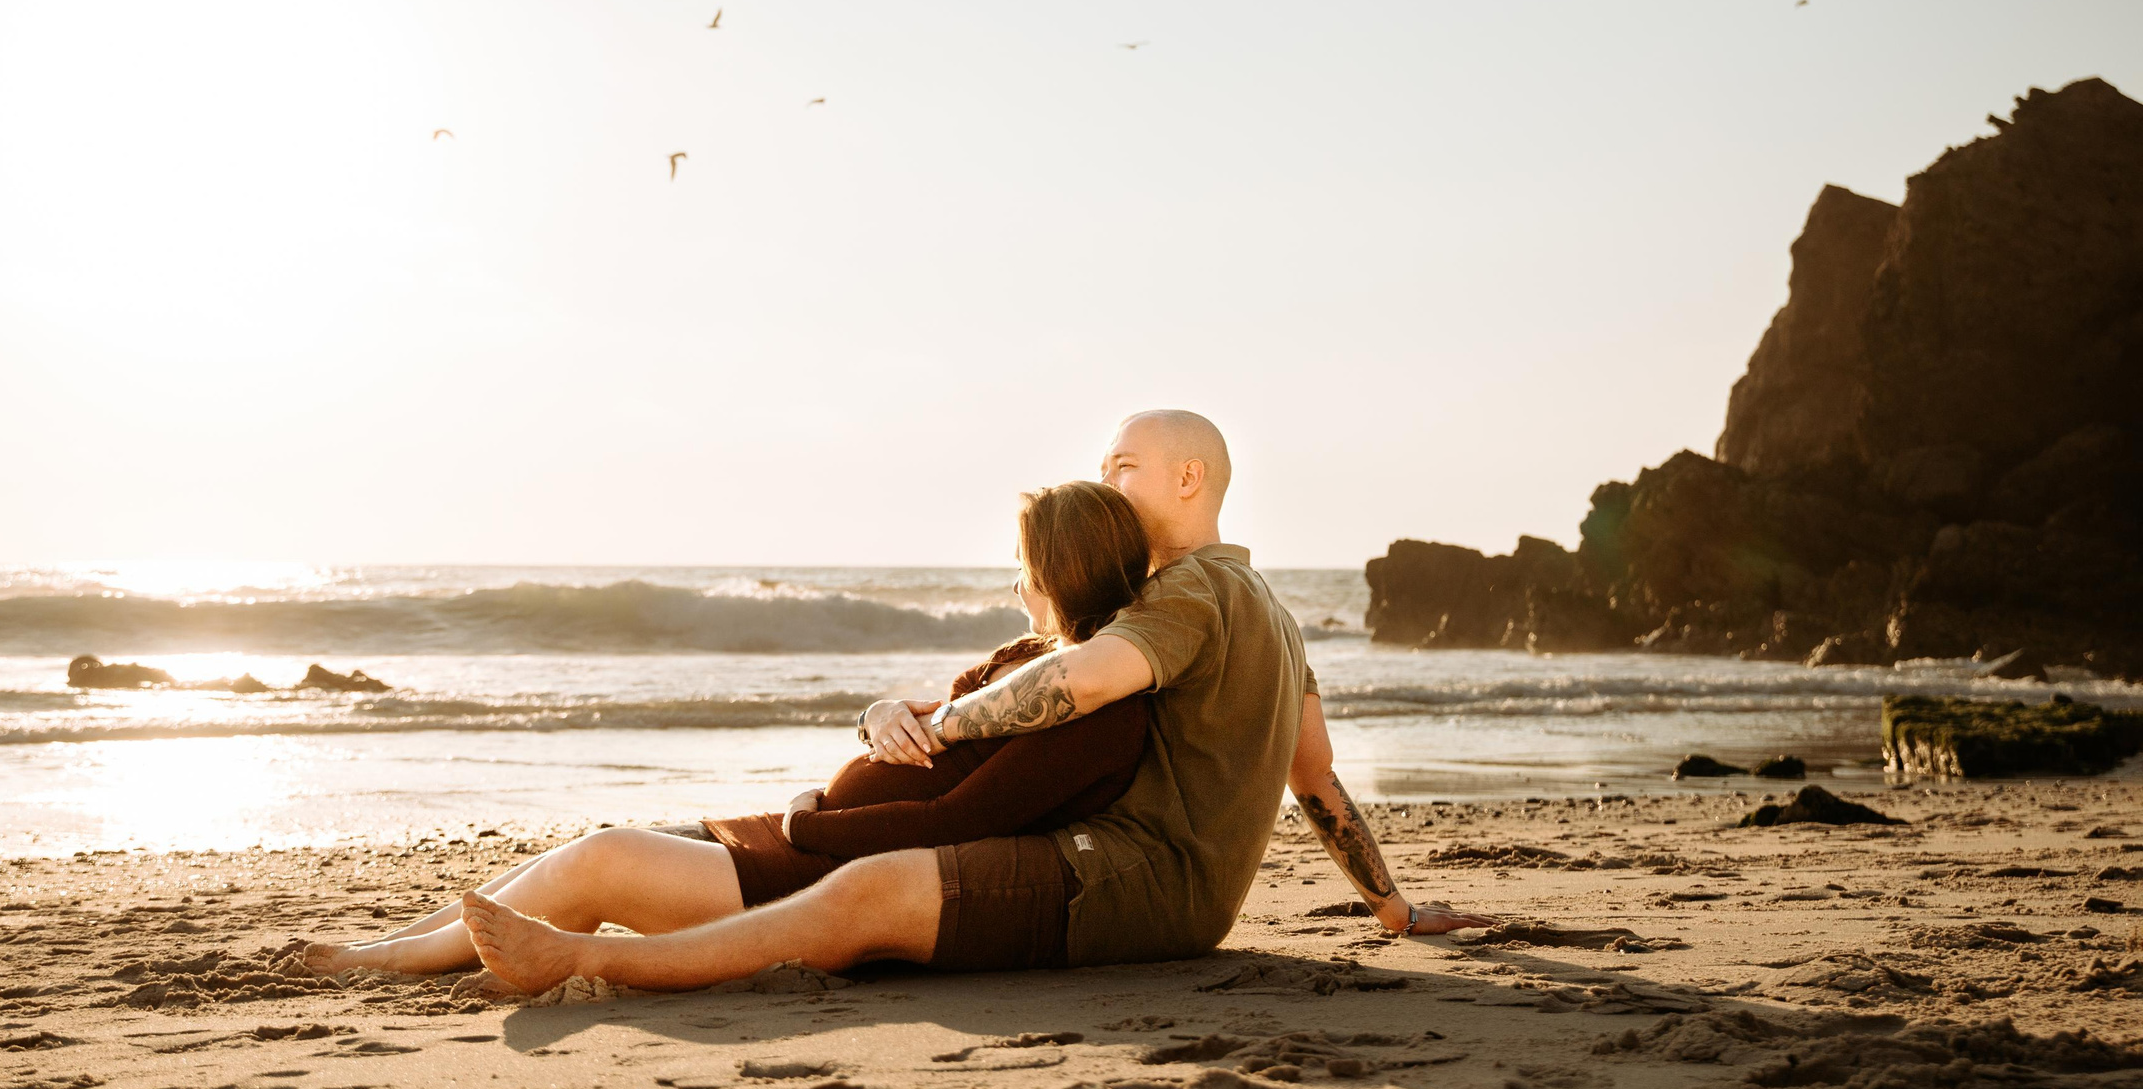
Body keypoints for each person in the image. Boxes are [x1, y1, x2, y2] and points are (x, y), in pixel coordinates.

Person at [456, 410, 1493, 994]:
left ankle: (588, 959)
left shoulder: (1191, 590)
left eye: (1122, 467)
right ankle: (511, 935)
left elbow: (1085, 678)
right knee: (844, 879)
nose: (1105, 481)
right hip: (1157, 891)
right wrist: (1390, 906)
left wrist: (943, 722)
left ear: (1188, 478)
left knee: (872, 891)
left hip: (1128, 884)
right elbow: (1313, 776)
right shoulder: (1270, 607)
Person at [298, 480, 1154, 978]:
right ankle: (395, 943)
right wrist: (879, 713)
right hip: (811, 841)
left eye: (1024, 566)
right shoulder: (1027, 656)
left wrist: (807, 818)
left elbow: (961, 821)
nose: (1015, 583)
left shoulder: (1095, 710)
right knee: (582, 850)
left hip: (819, 871)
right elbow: (928, 723)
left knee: (603, 860)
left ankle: (395, 963)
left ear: (1059, 567)